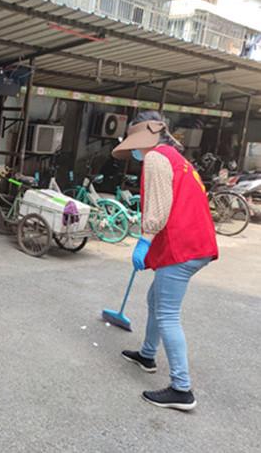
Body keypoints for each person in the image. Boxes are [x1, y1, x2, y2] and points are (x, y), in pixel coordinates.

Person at [111, 111, 218, 411]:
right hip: (197, 243)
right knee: (155, 298)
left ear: (144, 136)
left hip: (182, 246)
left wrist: (144, 241)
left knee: (167, 314)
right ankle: (147, 354)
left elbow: (158, 209)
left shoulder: (157, 158)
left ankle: (182, 389)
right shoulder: (175, 157)